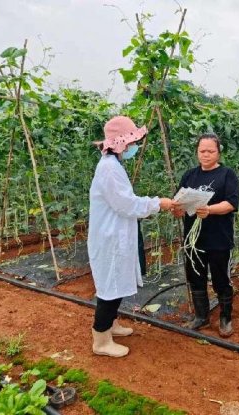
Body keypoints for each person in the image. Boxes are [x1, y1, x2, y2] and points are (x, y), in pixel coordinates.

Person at [88, 115, 173, 358]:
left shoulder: (113, 164)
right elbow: (126, 204)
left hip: (115, 235)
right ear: (121, 142)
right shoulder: (109, 169)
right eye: (133, 141)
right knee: (109, 289)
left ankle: (111, 325)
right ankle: (101, 340)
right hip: (110, 238)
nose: (134, 146)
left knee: (115, 284)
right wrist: (158, 203)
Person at [172, 133, 239, 337]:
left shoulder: (227, 175)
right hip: (194, 239)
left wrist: (209, 209)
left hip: (219, 238)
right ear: (197, 152)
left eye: (210, 151)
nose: (206, 154)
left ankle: (225, 318)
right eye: (202, 151)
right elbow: (179, 202)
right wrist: (177, 209)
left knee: (221, 279)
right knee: (196, 277)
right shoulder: (190, 175)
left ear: (218, 152)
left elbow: (231, 203)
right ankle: (201, 317)